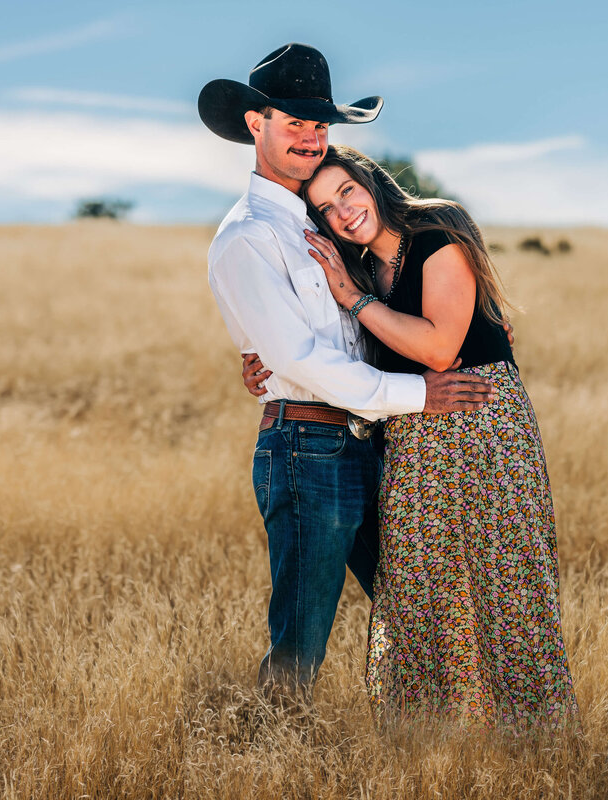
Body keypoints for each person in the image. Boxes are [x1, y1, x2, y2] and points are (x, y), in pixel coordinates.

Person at [245, 145, 579, 731]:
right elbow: (341, 350)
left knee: (504, 579)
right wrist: (267, 363)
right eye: (324, 208)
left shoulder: (435, 234)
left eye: (346, 190)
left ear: (370, 182)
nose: (342, 211)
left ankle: (536, 737)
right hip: (410, 436)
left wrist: (353, 297)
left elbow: (437, 349)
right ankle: (440, 740)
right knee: (426, 583)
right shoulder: (361, 270)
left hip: (481, 427)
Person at [198, 43, 496, 699]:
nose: (309, 137)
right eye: (292, 121)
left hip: (364, 440)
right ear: (256, 123)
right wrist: (420, 394)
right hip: (307, 448)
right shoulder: (248, 235)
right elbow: (300, 359)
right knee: (302, 642)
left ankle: (439, 751)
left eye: (319, 124)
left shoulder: (320, 222)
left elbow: (343, 333)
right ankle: (270, 757)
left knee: (420, 610)